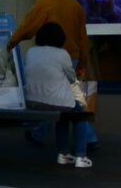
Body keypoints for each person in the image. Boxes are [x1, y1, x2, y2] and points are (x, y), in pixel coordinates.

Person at [6, 0, 94, 148]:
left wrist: (11, 42)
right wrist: (82, 63)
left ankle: (44, 136)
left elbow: (28, 28)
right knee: (76, 103)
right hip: (74, 59)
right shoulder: (76, 6)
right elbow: (83, 39)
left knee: (52, 100)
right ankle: (89, 140)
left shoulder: (44, 3)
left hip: (53, 60)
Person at [23, 23, 92, 168]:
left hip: (32, 101)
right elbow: (72, 78)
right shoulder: (62, 54)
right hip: (57, 102)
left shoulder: (30, 52)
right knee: (80, 115)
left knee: (63, 117)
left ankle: (64, 154)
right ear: (60, 38)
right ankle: (81, 156)